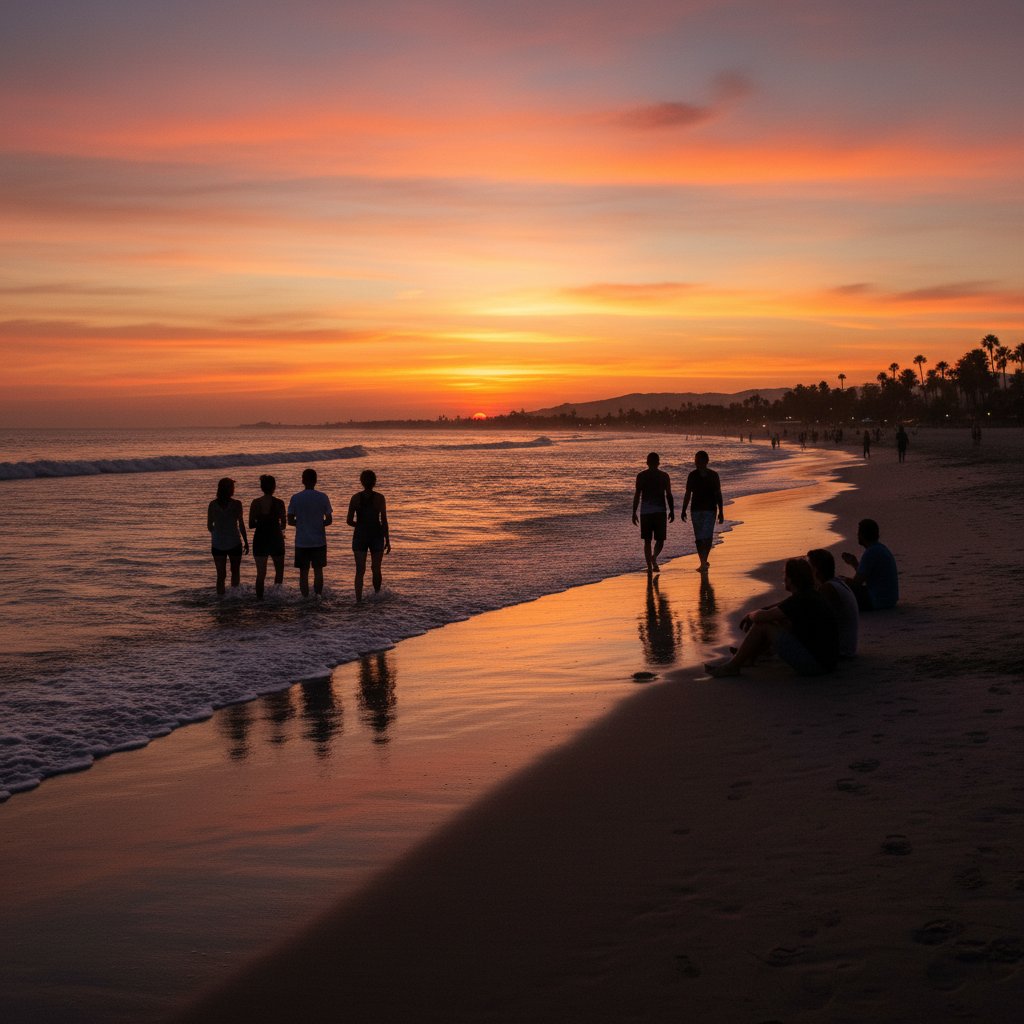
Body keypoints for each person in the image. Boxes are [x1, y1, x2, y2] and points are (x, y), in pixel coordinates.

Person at [705, 558, 839, 678]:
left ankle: (732, 667)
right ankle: (749, 658)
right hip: (827, 662)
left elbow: (761, 617)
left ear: (790, 579)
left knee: (762, 625)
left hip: (815, 665)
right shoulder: (811, 595)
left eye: (785, 575)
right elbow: (779, 609)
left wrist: (750, 615)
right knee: (778, 621)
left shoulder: (800, 600)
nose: (783, 578)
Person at [346, 469, 391, 603]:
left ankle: (358, 600)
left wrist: (360, 525)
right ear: (374, 482)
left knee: (360, 570)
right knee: (376, 568)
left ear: (361, 482)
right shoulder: (380, 498)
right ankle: (377, 596)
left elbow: (349, 521)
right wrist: (387, 540)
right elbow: (384, 521)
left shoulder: (355, 498)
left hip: (360, 536)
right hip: (377, 535)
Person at [287, 468, 333, 597]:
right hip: (319, 541)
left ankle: (305, 598)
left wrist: (302, 523)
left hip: (302, 541)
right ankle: (318, 596)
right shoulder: (322, 497)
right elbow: (329, 520)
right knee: (318, 571)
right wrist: (318, 524)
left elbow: (290, 520)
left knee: (303, 573)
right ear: (315, 481)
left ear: (303, 480)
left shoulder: (296, 498)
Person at [807, 548, 859, 658]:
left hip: (840, 651)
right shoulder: (836, 583)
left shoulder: (828, 589)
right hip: (845, 648)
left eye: (808, 568)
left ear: (815, 570)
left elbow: (813, 619)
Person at [841, 518, 899, 611]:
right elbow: (867, 576)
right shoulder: (880, 548)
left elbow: (857, 583)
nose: (857, 535)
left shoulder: (871, 552)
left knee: (839, 586)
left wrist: (842, 580)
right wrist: (854, 563)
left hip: (877, 600)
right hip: (889, 599)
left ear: (863, 535)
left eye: (859, 533)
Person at [681, 450, 724, 573]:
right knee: (700, 537)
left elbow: (718, 494)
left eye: (698, 460)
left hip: (709, 509)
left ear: (706, 461)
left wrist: (721, 511)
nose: (696, 462)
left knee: (706, 537)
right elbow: (688, 494)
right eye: (696, 460)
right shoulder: (693, 475)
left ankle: (703, 562)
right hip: (697, 510)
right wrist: (683, 510)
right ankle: (703, 562)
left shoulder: (713, 475)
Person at [631, 452, 674, 574]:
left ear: (647, 462)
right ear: (658, 462)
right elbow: (669, 495)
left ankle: (651, 563)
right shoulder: (664, 476)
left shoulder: (642, 476)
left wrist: (634, 512)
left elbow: (637, 495)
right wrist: (671, 510)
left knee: (648, 541)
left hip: (647, 512)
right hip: (659, 512)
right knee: (659, 540)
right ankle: (652, 560)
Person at [207, 477, 248, 595]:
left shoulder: (212, 505)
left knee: (221, 575)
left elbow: (209, 526)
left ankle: (221, 598)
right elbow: (241, 525)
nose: (234, 489)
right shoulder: (237, 504)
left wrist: (218, 533)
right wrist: (246, 541)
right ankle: (234, 597)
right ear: (228, 489)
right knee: (235, 571)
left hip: (217, 544)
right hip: (234, 542)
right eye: (232, 487)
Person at [249, 474, 287, 600]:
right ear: (274, 487)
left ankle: (259, 600)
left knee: (261, 573)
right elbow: (283, 524)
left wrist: (262, 521)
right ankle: (276, 597)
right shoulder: (279, 503)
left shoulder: (255, 503)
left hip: (260, 539)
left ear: (261, 487)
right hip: (276, 538)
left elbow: (251, 524)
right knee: (279, 571)